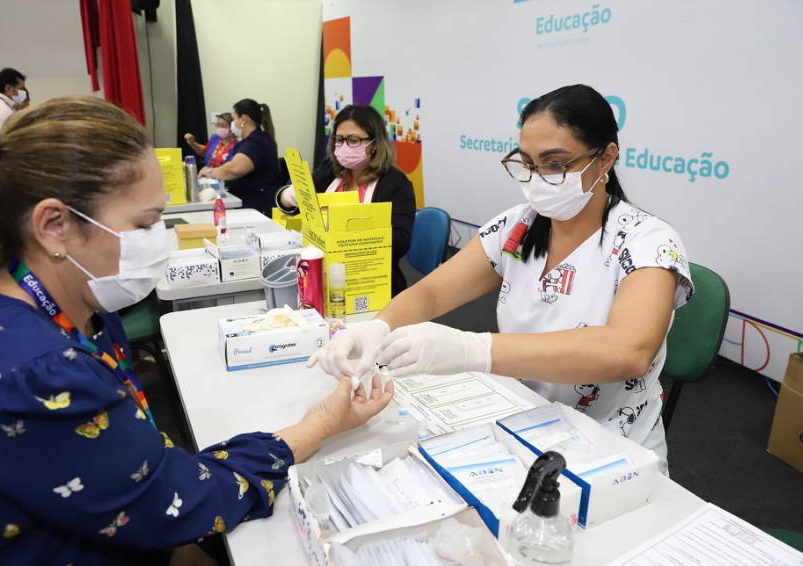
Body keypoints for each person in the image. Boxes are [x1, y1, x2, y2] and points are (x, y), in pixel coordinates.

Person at [0, 96, 393, 565]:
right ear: (54, 226)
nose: (156, 242)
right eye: (145, 224)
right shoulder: (37, 371)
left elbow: (131, 480)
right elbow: (176, 502)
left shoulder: (70, 310)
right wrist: (320, 425)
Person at [309, 85, 693, 472]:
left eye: (555, 164)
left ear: (606, 158)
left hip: (612, 450)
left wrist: (474, 350)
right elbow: (433, 291)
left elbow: (628, 352)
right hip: (525, 423)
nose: (537, 178)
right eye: (527, 163)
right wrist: (378, 327)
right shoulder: (519, 227)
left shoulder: (648, 241)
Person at [275, 104, 416, 296]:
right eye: (339, 140)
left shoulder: (395, 183)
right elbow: (295, 206)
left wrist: (349, 236)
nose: (344, 146)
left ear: (375, 143)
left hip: (371, 280)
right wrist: (288, 196)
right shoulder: (331, 171)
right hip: (323, 274)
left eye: (354, 140)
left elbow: (401, 242)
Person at [197, 99, 281, 216]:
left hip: (257, 208)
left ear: (243, 119)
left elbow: (234, 169)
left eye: (233, 119)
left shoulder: (256, 143)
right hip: (248, 203)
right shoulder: (249, 141)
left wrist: (210, 172)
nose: (232, 124)